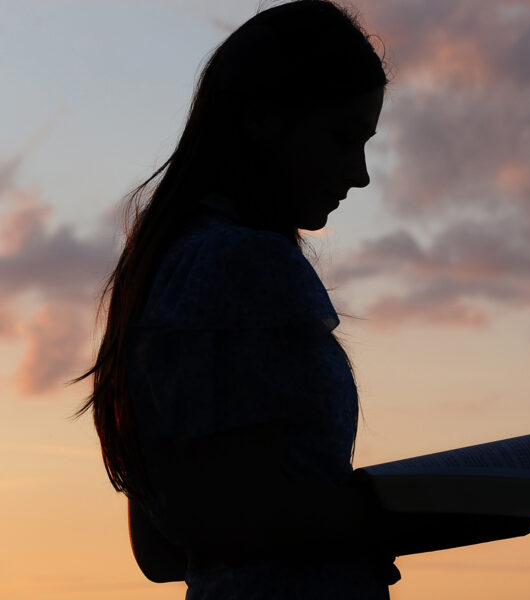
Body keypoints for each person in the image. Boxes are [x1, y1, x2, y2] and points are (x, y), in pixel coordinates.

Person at [70, 1, 400, 597]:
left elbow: (163, 547)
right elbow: (230, 522)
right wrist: (407, 514)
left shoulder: (168, 269)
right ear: (263, 119)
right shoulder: (241, 263)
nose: (360, 173)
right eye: (342, 137)